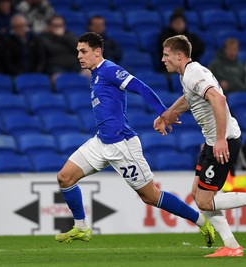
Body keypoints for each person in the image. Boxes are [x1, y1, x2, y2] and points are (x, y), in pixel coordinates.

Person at [54, 32, 215, 250]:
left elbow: (140, 87)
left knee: (150, 196)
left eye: (83, 51)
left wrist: (164, 113)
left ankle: (201, 222)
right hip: (101, 142)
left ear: (97, 52)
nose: (79, 56)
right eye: (78, 52)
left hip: (122, 145)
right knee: (65, 178)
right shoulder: (95, 74)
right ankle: (81, 227)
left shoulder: (110, 70)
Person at [155, 35, 246, 257]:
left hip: (223, 141)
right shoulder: (188, 75)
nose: (163, 59)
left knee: (205, 200)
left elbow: (219, 100)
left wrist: (221, 138)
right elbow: (189, 99)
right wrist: (167, 115)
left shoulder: (194, 73)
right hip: (213, 142)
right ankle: (231, 246)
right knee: (197, 194)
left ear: (179, 55)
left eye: (166, 55)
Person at [41, 15, 83, 80]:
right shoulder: (45, 37)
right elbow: (52, 49)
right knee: (58, 78)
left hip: (74, 64)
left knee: (89, 73)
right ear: (50, 26)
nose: (58, 28)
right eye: (55, 26)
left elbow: (79, 47)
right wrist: (67, 47)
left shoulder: (69, 35)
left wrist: (63, 36)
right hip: (56, 66)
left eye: (60, 25)